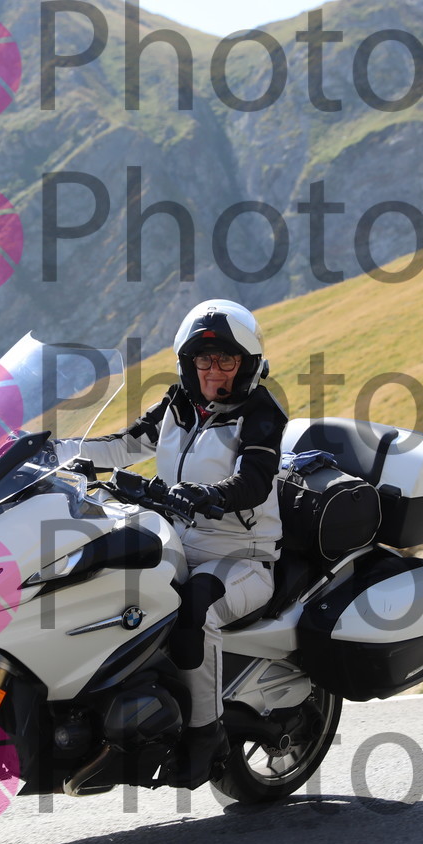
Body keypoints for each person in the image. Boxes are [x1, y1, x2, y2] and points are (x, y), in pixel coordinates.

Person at [59, 299, 286, 788]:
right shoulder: (178, 404)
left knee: (195, 610)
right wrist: (51, 450)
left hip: (241, 558)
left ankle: (205, 734)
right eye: (203, 359)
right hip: (177, 540)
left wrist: (208, 495)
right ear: (188, 362)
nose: (213, 370)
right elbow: (124, 444)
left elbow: (254, 479)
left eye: (226, 359)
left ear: (246, 363)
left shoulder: (261, 412)